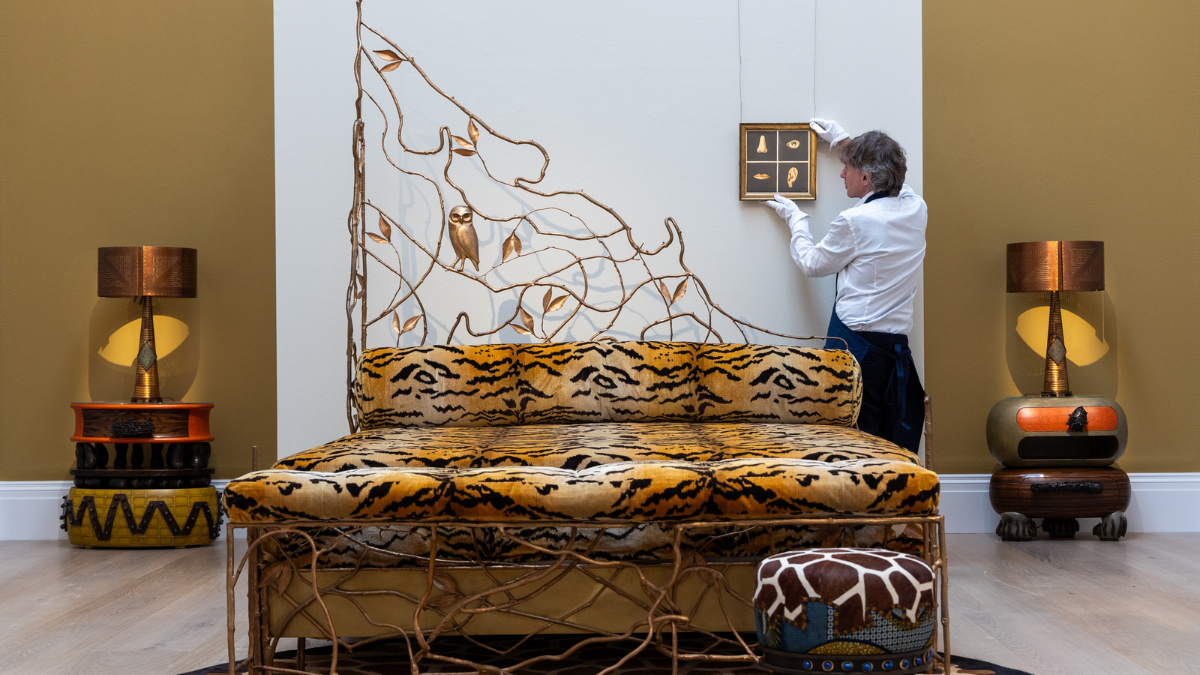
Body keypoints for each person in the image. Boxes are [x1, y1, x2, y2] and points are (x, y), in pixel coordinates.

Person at [765, 118, 928, 453]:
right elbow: (897, 182)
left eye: (848, 167)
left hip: (856, 350)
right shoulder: (916, 208)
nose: (841, 174)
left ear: (866, 177)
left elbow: (812, 264)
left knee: (849, 444)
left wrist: (797, 221)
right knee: (890, 446)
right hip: (897, 349)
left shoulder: (855, 221)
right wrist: (844, 142)